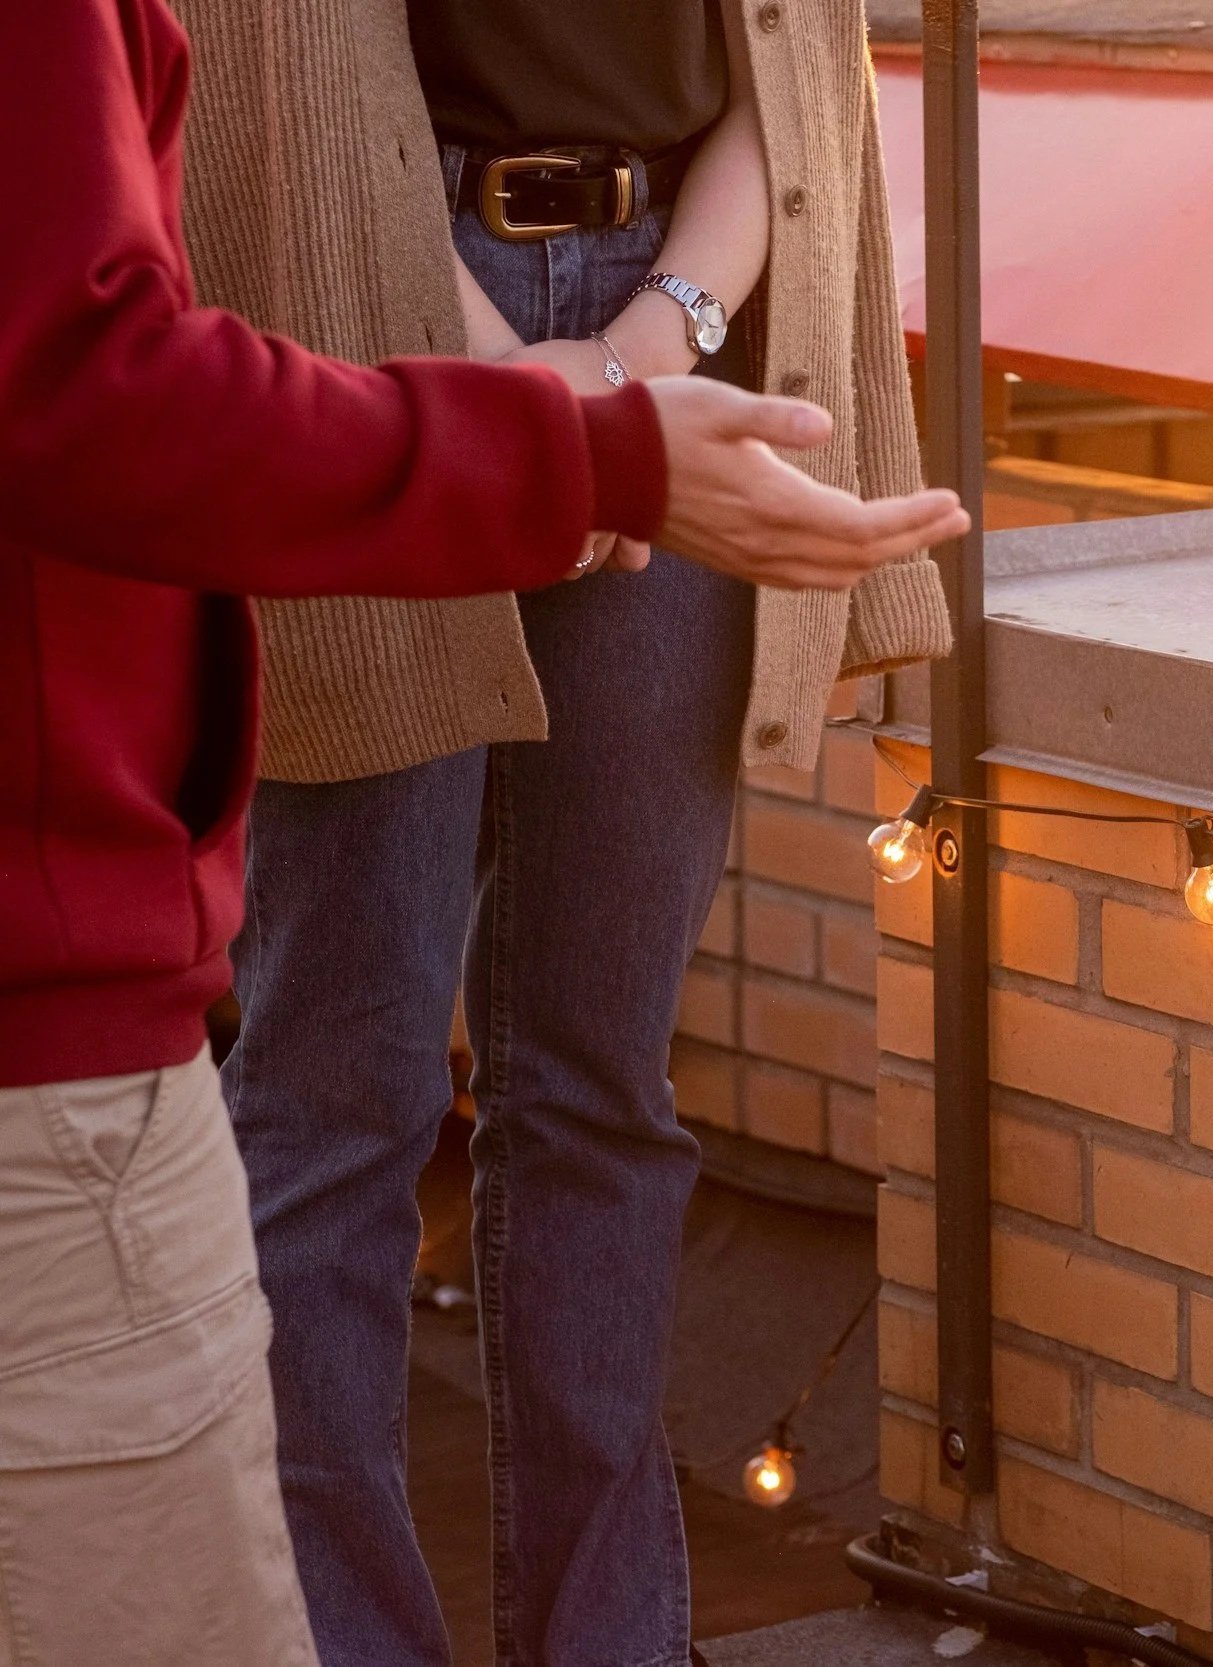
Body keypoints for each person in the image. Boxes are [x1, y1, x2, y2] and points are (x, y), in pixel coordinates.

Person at [0, 3, 967, 1661]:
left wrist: (646, 347)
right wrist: (541, 403)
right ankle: (336, 1639)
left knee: (606, 1085)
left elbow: (802, 75)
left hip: (683, 319)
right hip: (357, 336)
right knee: (345, 1085)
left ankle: (611, 1639)